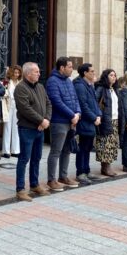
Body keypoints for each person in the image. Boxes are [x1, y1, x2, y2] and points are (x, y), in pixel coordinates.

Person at [14, 62, 52, 202]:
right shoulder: (21, 88)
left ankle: (34, 185)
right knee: (24, 159)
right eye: (36, 71)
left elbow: (48, 103)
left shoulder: (40, 87)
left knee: (37, 157)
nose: (39, 73)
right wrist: (41, 121)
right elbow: (25, 108)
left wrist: (46, 119)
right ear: (28, 73)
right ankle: (20, 189)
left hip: (40, 128)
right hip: (27, 129)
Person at [45, 57, 80, 191]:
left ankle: (63, 176)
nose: (72, 69)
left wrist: (77, 113)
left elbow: (75, 99)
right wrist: (72, 115)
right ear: (62, 68)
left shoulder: (69, 81)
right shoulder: (52, 81)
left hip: (72, 121)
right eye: (70, 67)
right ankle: (51, 179)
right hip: (59, 121)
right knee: (56, 151)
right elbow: (56, 101)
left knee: (67, 150)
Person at [73, 63, 102, 184]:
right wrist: (94, 118)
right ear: (85, 73)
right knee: (83, 148)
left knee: (88, 147)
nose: (94, 73)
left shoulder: (89, 85)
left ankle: (87, 170)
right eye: (92, 71)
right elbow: (83, 105)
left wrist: (99, 114)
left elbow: (95, 103)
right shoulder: (80, 86)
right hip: (85, 122)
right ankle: (81, 173)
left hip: (92, 121)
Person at [94, 69, 120, 176]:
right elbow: (95, 102)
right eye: (111, 75)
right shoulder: (101, 88)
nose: (114, 77)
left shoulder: (114, 89)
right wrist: (100, 115)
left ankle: (107, 165)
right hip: (106, 120)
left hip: (115, 120)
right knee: (105, 144)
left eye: (115, 75)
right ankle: (105, 167)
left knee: (112, 144)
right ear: (106, 76)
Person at [2, 65, 21, 158]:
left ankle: (15, 150)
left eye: (18, 73)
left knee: (16, 127)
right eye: (15, 72)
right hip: (8, 105)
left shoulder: (20, 82)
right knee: (7, 127)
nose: (16, 74)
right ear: (11, 73)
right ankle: (6, 150)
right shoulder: (7, 82)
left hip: (17, 105)